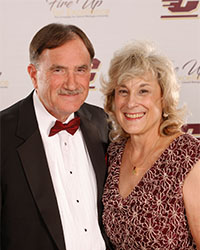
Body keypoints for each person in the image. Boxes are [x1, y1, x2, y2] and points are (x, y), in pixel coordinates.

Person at [0, 23, 112, 250]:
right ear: (33, 74)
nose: (72, 84)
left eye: (80, 70)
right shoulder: (3, 133)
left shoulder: (101, 121)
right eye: (58, 70)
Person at [101, 41, 200, 249]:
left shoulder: (188, 156)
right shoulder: (114, 152)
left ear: (163, 98)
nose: (130, 103)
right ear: (113, 98)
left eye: (143, 91)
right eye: (123, 91)